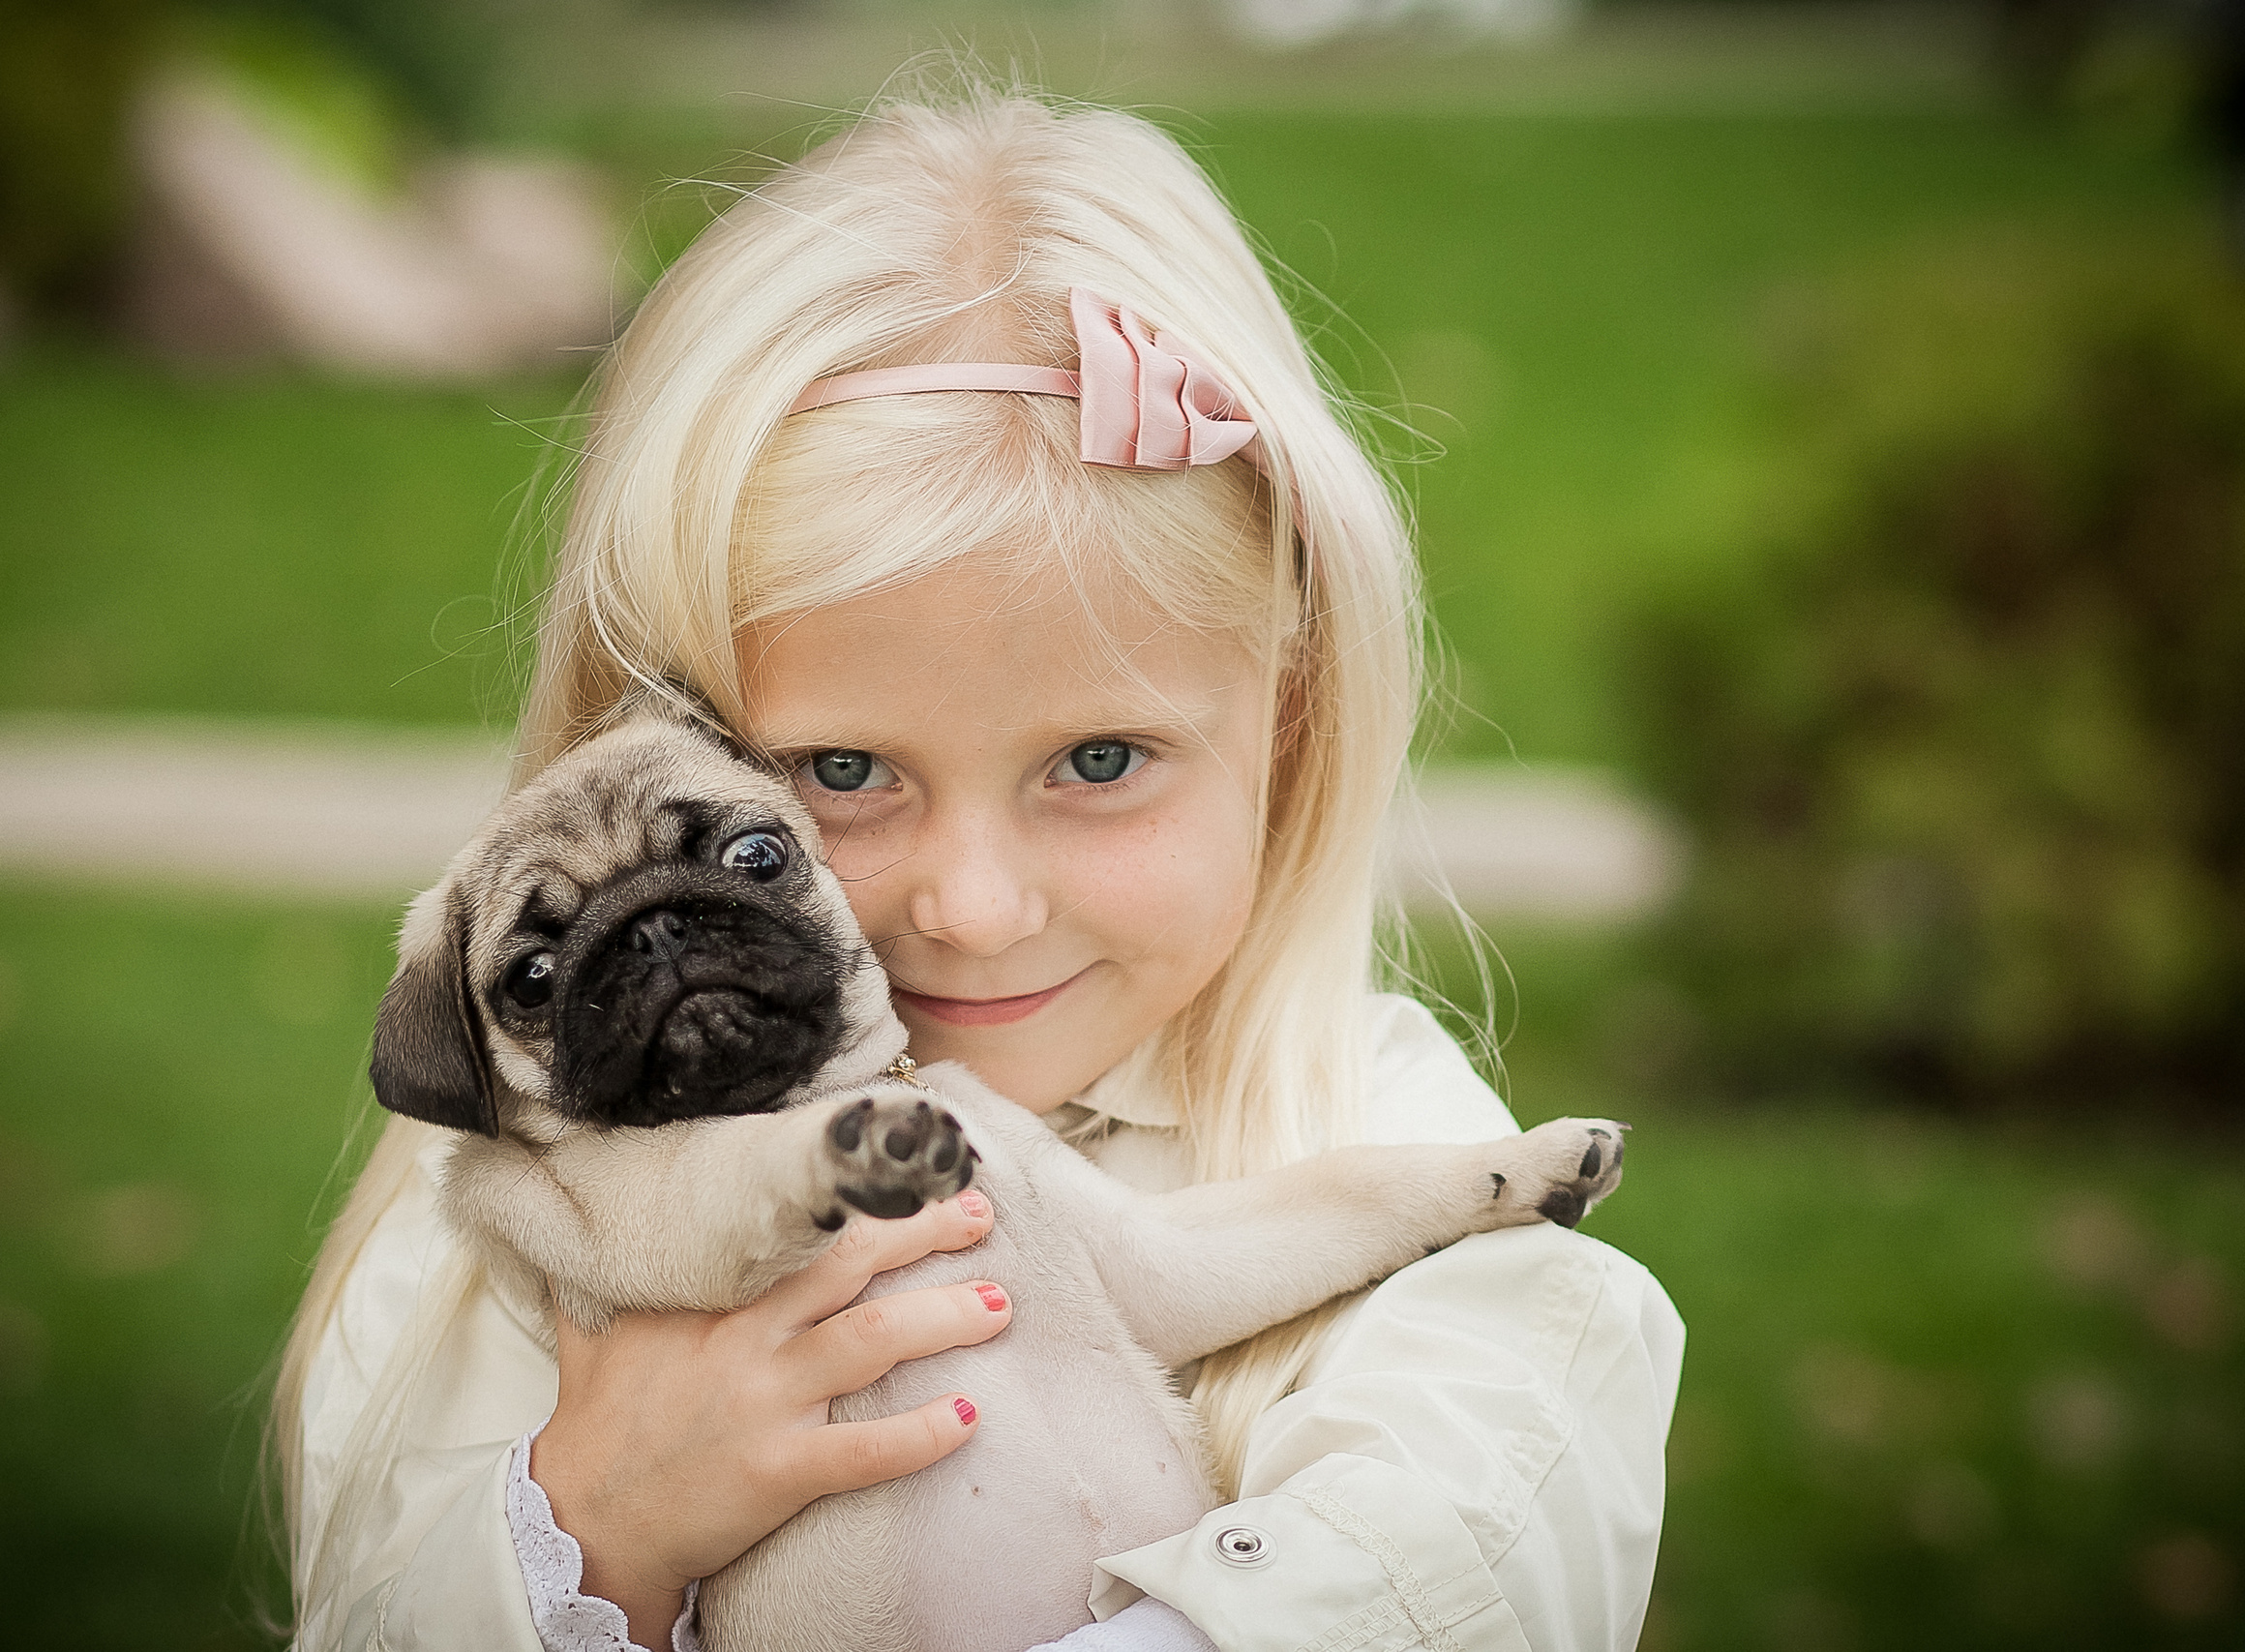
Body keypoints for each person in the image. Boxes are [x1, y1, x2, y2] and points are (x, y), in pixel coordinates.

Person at [274, 87, 1684, 1652]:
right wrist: (584, 1535)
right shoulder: (482, 1241)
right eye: (841, 776)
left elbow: (1458, 1560)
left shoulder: (1398, 1157)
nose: (974, 908)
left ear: (1289, 714)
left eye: (1098, 763)